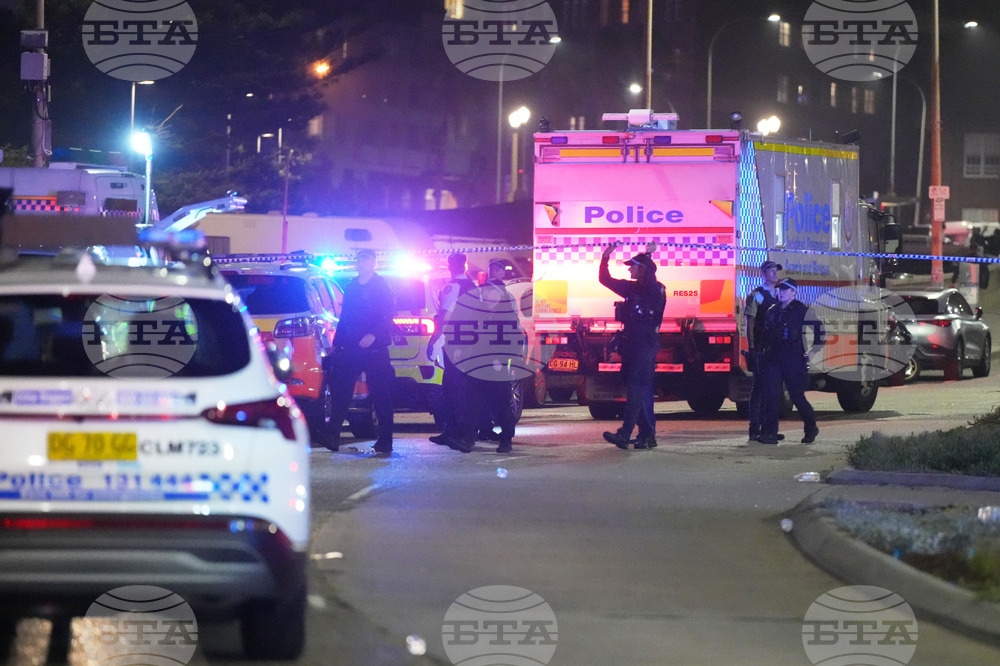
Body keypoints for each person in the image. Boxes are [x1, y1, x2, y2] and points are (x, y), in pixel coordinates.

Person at [323, 248, 397, 455]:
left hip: (376, 349)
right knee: (341, 392)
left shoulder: (382, 286)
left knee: (381, 395)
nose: (360, 263)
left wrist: (374, 334)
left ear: (373, 262)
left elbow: (388, 314)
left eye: (365, 259)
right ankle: (332, 437)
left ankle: (385, 441)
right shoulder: (352, 286)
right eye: (358, 259)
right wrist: (337, 343)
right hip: (351, 347)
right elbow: (345, 317)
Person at [599, 241, 666, 450]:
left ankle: (625, 433)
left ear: (643, 269)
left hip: (645, 346)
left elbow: (649, 282)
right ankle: (647, 435)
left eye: (633, 266)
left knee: (637, 389)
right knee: (636, 390)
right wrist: (605, 257)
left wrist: (647, 256)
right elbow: (604, 279)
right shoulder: (631, 287)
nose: (629, 269)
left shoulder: (656, 290)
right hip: (631, 345)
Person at [457, 259, 524, 454]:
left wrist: (502, 360)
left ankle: (506, 440)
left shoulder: (506, 314)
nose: (485, 294)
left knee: (501, 403)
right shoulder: (479, 312)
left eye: (489, 291)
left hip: (497, 365)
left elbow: (513, 338)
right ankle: (468, 439)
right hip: (478, 362)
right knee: (473, 402)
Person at [757, 277, 819, 445]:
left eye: (786, 290)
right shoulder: (773, 310)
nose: (781, 292)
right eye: (780, 289)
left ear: (794, 292)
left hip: (793, 358)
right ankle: (770, 433)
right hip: (773, 359)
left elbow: (820, 331)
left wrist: (813, 351)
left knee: (796, 396)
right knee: (771, 396)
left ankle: (811, 428)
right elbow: (765, 334)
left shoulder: (802, 310)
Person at [427, 252, 477, 448]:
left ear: (450, 266)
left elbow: (444, 316)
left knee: (452, 389)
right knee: (466, 390)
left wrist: (434, 340)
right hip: (472, 344)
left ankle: (460, 435)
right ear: (465, 265)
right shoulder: (472, 287)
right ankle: (456, 433)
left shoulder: (452, 287)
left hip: (456, 343)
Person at [744, 260, 783, 443]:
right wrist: (752, 347)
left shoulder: (779, 295)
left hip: (775, 348)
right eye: (771, 271)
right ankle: (755, 429)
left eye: (776, 271)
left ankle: (769, 429)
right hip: (761, 348)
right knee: (759, 390)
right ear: (763, 274)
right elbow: (750, 322)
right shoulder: (758, 295)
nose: (775, 274)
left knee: (772, 389)